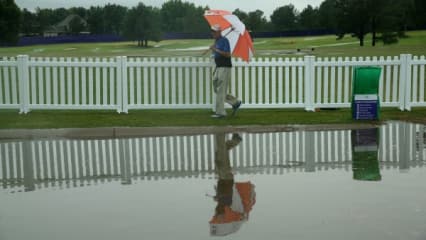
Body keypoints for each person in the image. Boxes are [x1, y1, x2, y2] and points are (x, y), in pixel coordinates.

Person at [209, 133, 256, 236]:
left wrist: (217, 197)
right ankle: (220, 132)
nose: (217, 218)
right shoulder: (234, 209)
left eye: (217, 219)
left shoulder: (221, 208)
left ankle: (236, 140)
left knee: (220, 153)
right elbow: (233, 195)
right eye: (220, 220)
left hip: (221, 178)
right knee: (221, 153)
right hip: (227, 177)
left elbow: (222, 196)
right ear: (227, 220)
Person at [209, 24, 242, 118]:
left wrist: (216, 49)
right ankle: (235, 102)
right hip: (218, 67)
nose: (213, 33)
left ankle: (220, 113)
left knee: (220, 90)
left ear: (219, 32)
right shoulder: (217, 41)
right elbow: (216, 53)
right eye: (212, 31)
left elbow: (227, 54)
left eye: (215, 32)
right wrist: (213, 50)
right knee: (216, 88)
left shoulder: (225, 41)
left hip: (224, 67)